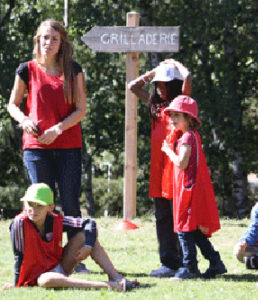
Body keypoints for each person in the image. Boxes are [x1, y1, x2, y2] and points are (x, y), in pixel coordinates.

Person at [7, 19, 88, 273]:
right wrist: (24, 119)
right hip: (36, 147)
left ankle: (74, 258)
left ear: (61, 42)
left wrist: (58, 128)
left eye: (54, 39)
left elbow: (81, 109)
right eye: (44, 38)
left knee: (70, 203)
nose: (49, 43)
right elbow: (12, 105)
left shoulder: (74, 70)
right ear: (37, 40)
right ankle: (40, 257)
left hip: (69, 146)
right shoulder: (26, 69)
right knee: (40, 203)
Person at [2, 183, 139, 291]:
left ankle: (117, 278)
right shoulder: (19, 223)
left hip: (58, 267)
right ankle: (108, 286)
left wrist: (88, 246)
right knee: (45, 281)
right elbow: (18, 257)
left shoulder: (55, 220)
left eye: (39, 206)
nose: (33, 210)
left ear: (50, 207)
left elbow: (89, 223)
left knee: (83, 235)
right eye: (30, 204)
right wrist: (16, 284)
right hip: (37, 277)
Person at [128, 59, 192, 277]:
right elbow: (133, 87)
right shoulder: (155, 107)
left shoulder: (181, 107)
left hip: (178, 169)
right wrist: (155, 72)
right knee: (162, 217)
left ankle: (186, 263)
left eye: (166, 84)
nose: (161, 88)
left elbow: (189, 78)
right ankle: (168, 262)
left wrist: (176, 66)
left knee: (180, 217)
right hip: (159, 171)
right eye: (158, 84)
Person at [161, 95, 227, 280]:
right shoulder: (193, 136)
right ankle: (216, 262)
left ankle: (190, 268)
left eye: (177, 116)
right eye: (171, 115)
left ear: (189, 119)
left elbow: (182, 163)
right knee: (193, 230)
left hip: (188, 190)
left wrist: (168, 151)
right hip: (192, 188)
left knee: (183, 229)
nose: (172, 119)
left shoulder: (187, 138)